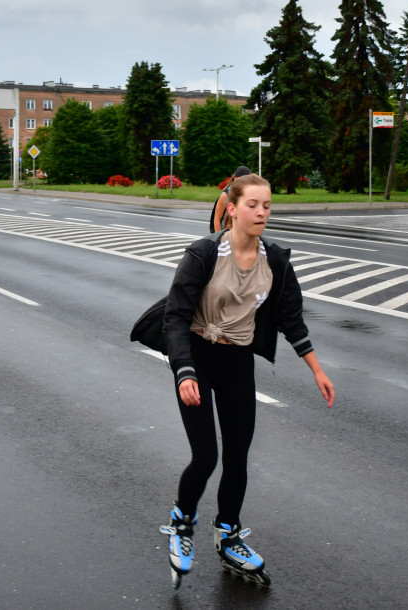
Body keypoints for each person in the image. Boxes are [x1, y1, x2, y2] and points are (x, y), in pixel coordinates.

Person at [160, 173, 335, 588]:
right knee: (206, 458)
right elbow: (175, 317)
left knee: (238, 456)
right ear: (232, 209)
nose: (261, 212)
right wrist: (184, 370)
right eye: (253, 205)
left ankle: (229, 535)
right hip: (197, 359)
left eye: (267, 206)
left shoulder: (275, 260)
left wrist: (317, 369)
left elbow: (291, 318)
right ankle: (182, 526)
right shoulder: (204, 254)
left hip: (238, 361)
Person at [210, 166, 251, 232]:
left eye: (246, 180)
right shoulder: (226, 195)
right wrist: (218, 238)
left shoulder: (248, 194)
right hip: (226, 234)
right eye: (241, 179)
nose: (244, 182)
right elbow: (217, 219)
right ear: (235, 178)